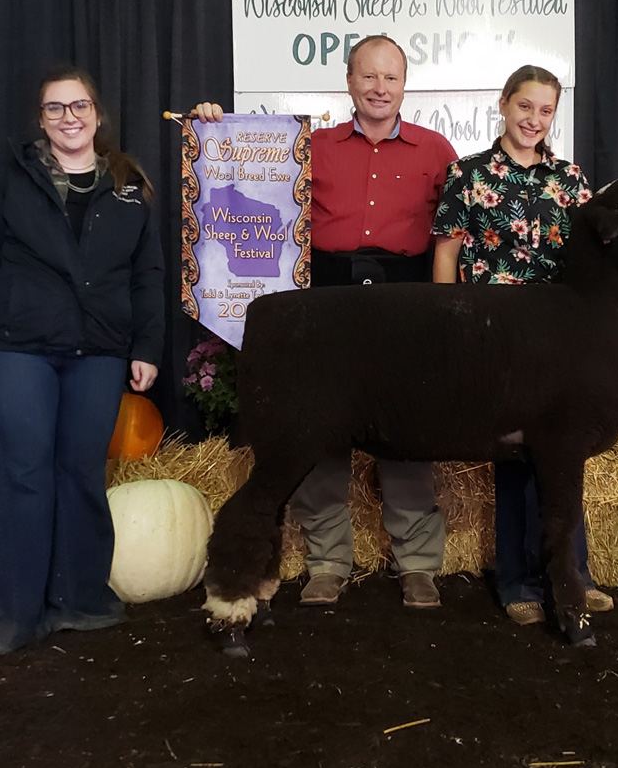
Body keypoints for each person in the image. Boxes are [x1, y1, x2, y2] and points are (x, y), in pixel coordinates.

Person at [194, 34, 457, 609]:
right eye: (368, 76)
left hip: (406, 299)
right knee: (319, 427)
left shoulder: (438, 151)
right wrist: (213, 129)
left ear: (405, 84)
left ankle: (416, 565)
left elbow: (454, 236)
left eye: (390, 77)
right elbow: (247, 179)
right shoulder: (310, 145)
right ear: (348, 81)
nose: (379, 88)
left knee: (410, 429)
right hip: (327, 295)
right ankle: (328, 561)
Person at [432, 64, 618, 627]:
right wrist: (448, 324)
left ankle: (575, 575)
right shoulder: (466, 175)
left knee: (563, 463)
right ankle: (517, 581)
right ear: (503, 104)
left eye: (545, 111)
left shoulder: (571, 180)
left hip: (563, 342)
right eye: (525, 107)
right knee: (516, 460)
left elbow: (597, 259)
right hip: (496, 339)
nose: (533, 120)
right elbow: (446, 255)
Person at [0, 66, 164, 654]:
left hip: (99, 347)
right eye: (55, 108)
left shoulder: (127, 183)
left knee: (80, 472)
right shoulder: (13, 178)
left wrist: (146, 347)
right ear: (40, 119)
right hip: (23, 345)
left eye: (79, 106)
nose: (69, 117)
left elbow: (148, 274)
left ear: (98, 114)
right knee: (23, 473)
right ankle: (16, 614)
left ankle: (80, 600)